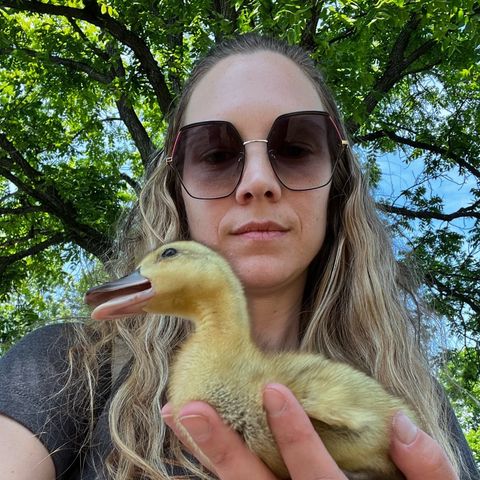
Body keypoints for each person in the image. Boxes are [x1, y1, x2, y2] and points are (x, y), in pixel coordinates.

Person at [0, 34, 478, 480]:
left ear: (337, 186)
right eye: (215, 154)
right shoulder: (66, 367)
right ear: (177, 192)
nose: (257, 181)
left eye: (295, 148)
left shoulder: (420, 405)